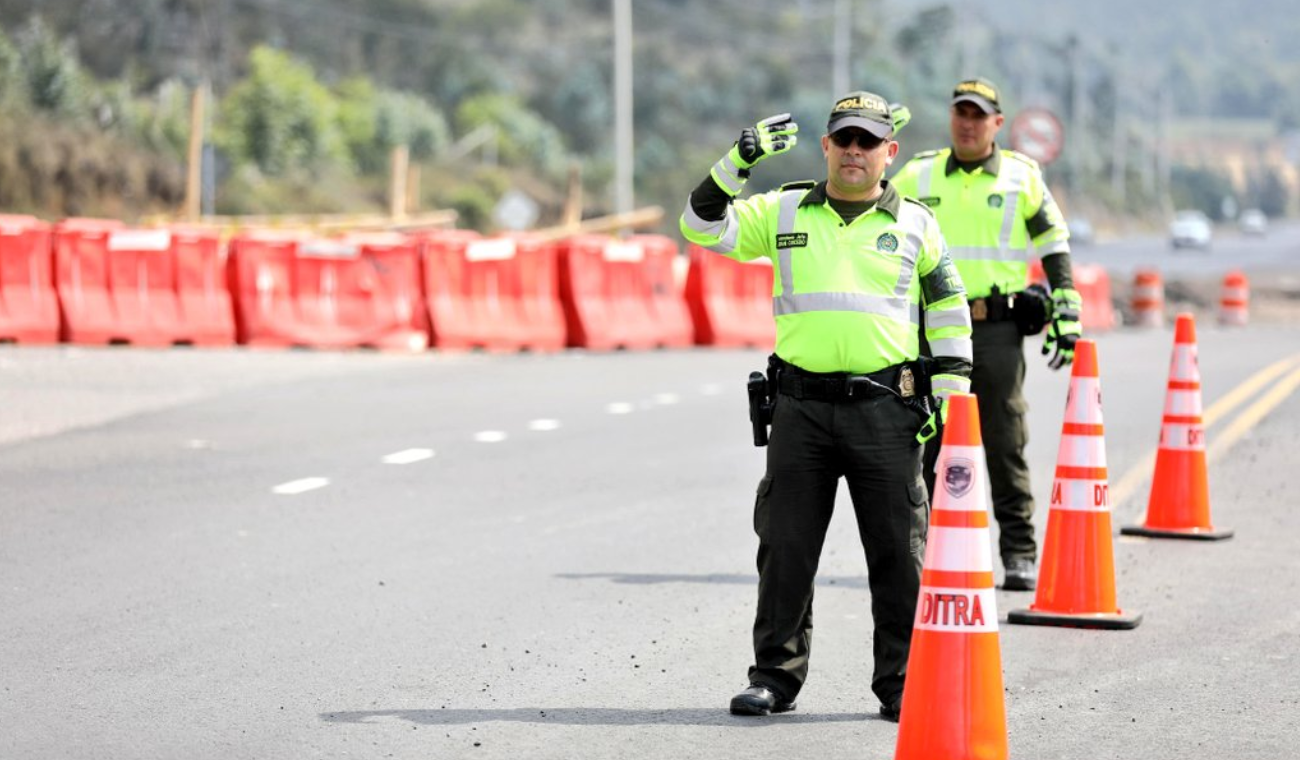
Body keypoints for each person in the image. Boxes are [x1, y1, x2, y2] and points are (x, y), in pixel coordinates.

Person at [679, 91, 973, 722]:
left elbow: (949, 312)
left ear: (889, 152)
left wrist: (951, 403)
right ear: (827, 146)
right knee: (784, 547)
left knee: (898, 553)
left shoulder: (917, 222)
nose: (855, 152)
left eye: (868, 142)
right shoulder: (784, 209)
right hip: (800, 410)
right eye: (844, 139)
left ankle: (901, 683)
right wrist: (739, 160)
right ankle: (774, 678)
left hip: (887, 413)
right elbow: (699, 226)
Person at [891, 77, 1081, 592]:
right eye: (961, 113)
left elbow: (1052, 239)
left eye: (979, 115)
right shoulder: (919, 172)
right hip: (930, 331)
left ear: (997, 123)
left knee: (1003, 439)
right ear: (951, 118)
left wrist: (1065, 299)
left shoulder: (1022, 176)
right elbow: (876, 221)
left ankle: (1018, 552)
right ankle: (926, 551)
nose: (968, 123)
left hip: (995, 329)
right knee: (925, 440)